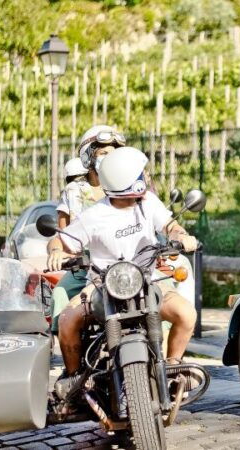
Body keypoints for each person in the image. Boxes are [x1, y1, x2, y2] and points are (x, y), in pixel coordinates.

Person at [48, 146, 199, 395]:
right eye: (140, 174)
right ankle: (75, 378)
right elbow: (61, 240)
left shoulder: (148, 203)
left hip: (147, 280)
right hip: (101, 284)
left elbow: (170, 225)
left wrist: (182, 236)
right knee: (67, 320)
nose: (144, 177)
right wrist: (56, 251)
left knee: (186, 314)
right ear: (126, 178)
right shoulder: (94, 215)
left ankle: (172, 368)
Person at [48, 125, 125, 333]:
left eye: (113, 153)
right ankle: (70, 357)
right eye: (103, 153)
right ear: (89, 156)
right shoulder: (74, 191)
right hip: (85, 269)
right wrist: (57, 251)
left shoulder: (129, 186)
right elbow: (62, 235)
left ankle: (162, 357)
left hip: (127, 267)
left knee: (162, 298)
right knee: (60, 295)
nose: (110, 158)